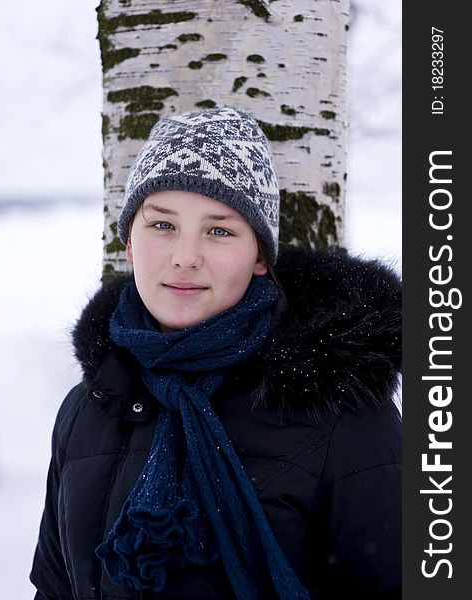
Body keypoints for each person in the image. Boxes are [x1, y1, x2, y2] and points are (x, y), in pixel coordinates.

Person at [30, 106, 402, 600]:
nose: (185, 256)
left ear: (260, 258)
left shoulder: (338, 412)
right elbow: (56, 589)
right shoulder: (93, 403)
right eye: (162, 226)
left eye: (220, 230)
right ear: (129, 245)